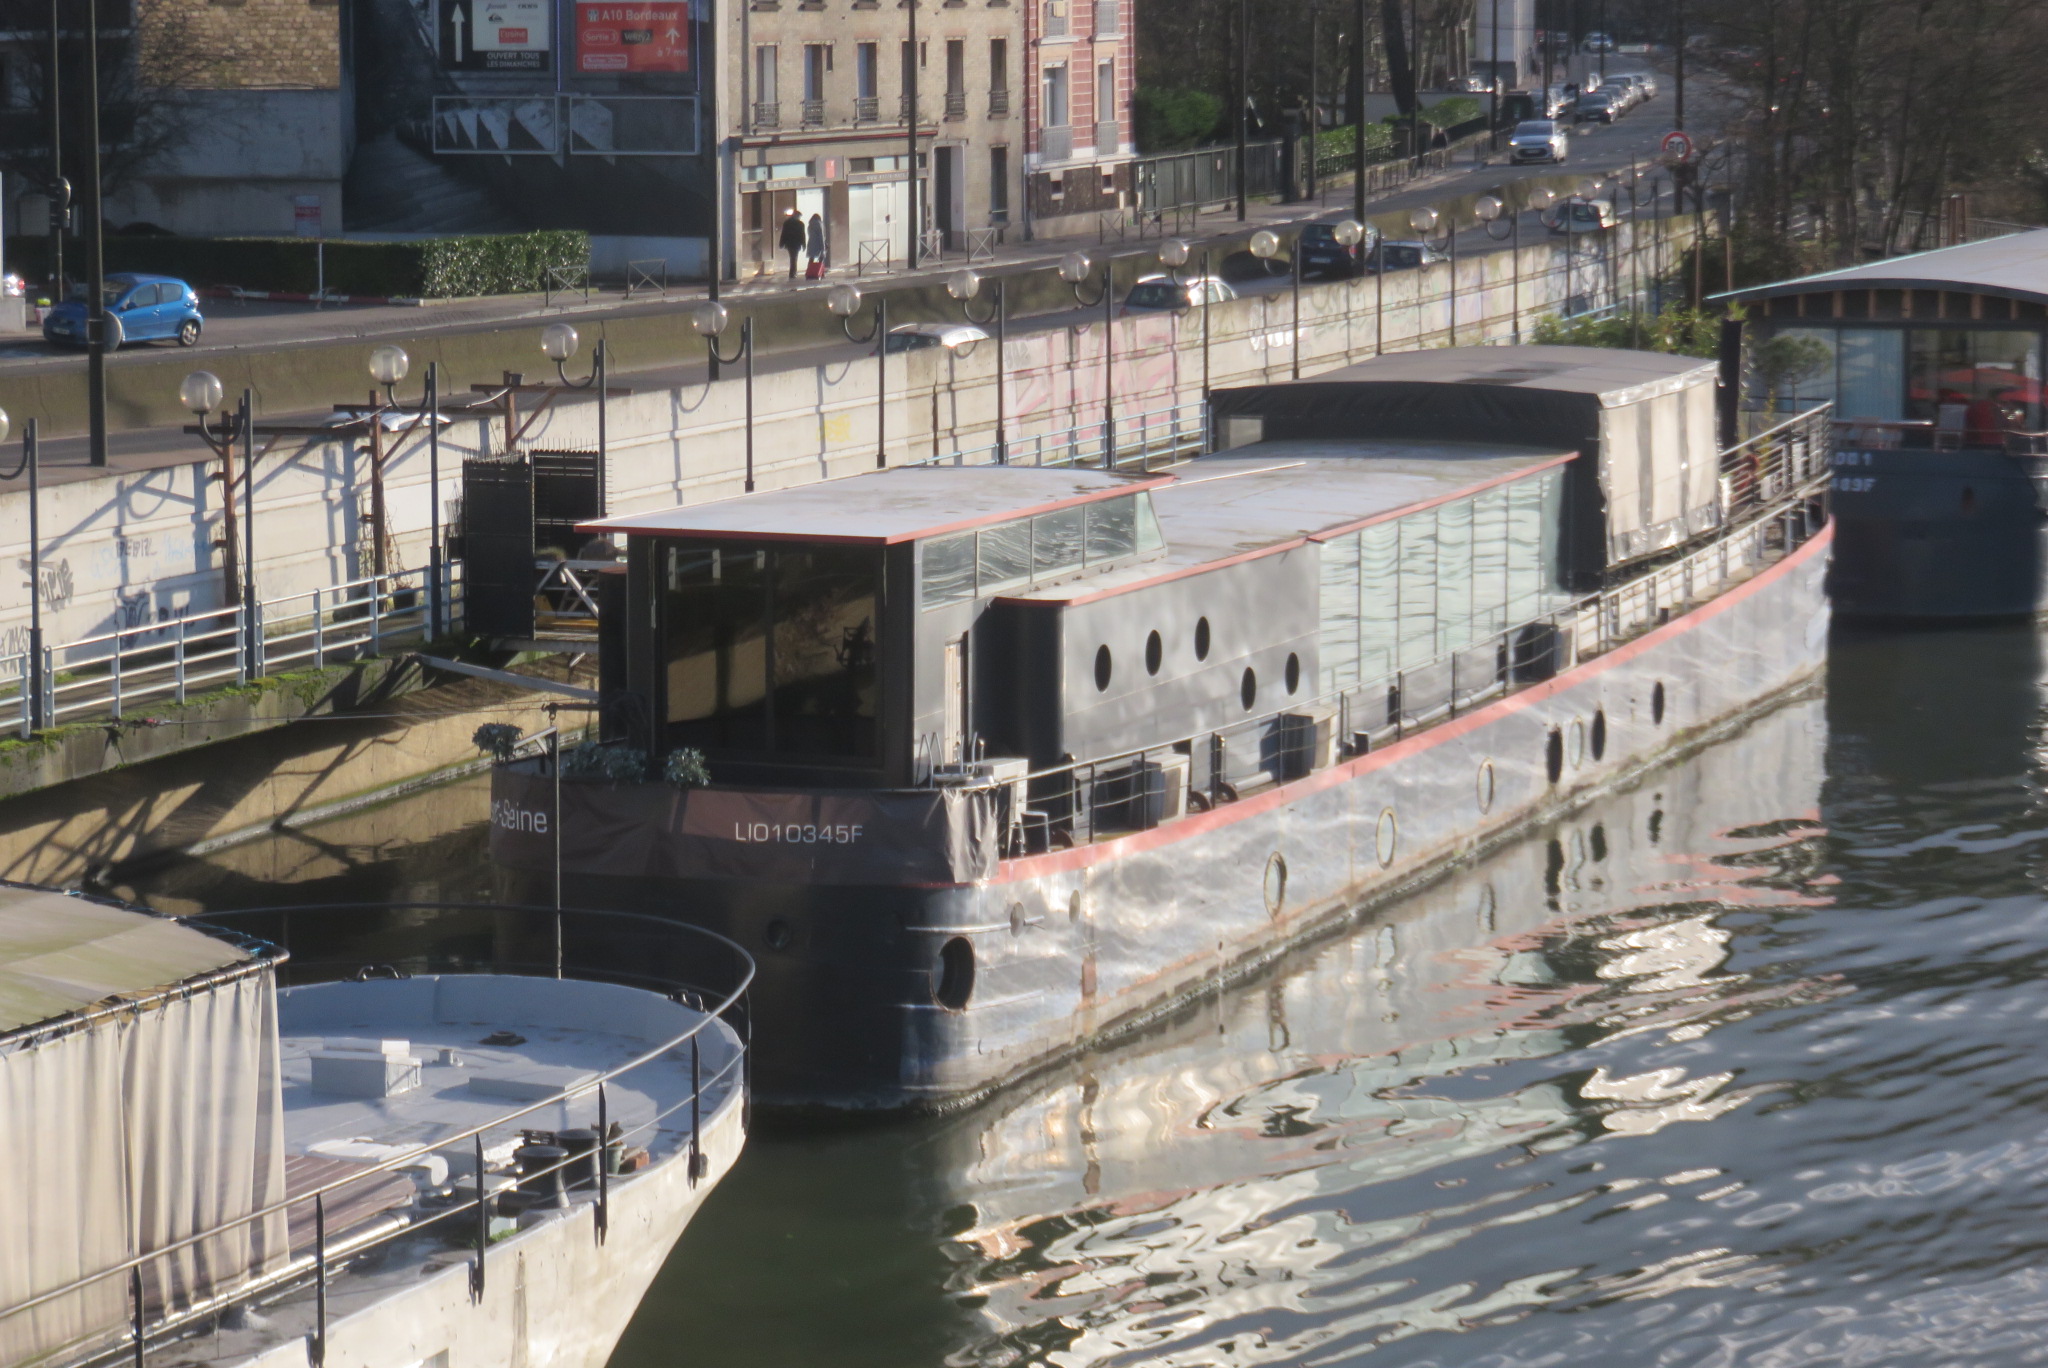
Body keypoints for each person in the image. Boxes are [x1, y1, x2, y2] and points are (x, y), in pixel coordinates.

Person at [778, 208, 806, 280]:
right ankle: (793, 273)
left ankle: (792, 272)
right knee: (794, 258)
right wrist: (803, 244)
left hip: (789, 243)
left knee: (793, 257)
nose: (799, 217)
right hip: (796, 243)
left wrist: (781, 243)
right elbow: (802, 235)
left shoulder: (787, 223)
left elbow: (784, 233)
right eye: (799, 216)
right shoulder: (800, 224)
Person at [806, 212, 827, 278]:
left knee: (811, 258)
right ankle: (820, 272)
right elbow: (821, 236)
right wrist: (823, 247)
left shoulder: (810, 225)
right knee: (821, 258)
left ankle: (809, 272)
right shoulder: (819, 224)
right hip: (818, 243)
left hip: (811, 243)